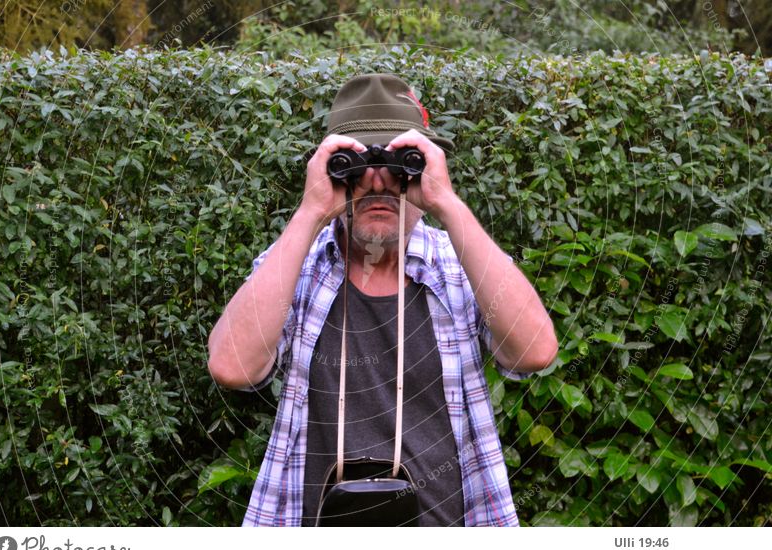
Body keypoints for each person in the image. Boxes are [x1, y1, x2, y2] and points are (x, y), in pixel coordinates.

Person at [207, 73, 558, 526]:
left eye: (399, 163)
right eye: (355, 164)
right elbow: (232, 366)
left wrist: (447, 203)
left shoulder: (458, 264)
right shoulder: (299, 266)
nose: (378, 183)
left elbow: (534, 352)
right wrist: (311, 210)